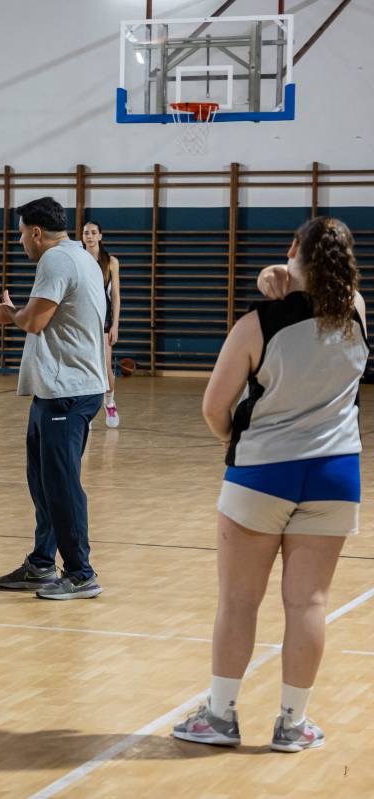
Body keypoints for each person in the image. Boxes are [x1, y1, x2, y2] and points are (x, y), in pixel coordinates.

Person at [172, 216, 366, 752]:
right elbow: (327, 283)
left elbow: (214, 408)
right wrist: (280, 271)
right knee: (309, 604)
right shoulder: (357, 312)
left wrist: (231, 438)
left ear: (291, 249)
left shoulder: (256, 326)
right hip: (335, 474)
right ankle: (292, 724)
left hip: (262, 473)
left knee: (238, 601)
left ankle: (220, 718)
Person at [0, 197, 108, 600]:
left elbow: (35, 321)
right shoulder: (79, 255)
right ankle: (40, 566)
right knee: (46, 483)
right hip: (60, 390)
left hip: (67, 392)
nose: (20, 241)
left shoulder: (54, 260)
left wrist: (9, 315)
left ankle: (81, 573)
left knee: (62, 484)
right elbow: (43, 316)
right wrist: (16, 312)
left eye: (21, 233)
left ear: (36, 232)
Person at [82, 221, 122, 428]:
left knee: (106, 368)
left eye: (93, 233)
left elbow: (115, 296)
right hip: (82, 321)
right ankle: (86, 412)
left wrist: (115, 325)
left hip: (104, 320)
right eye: (86, 233)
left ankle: (110, 402)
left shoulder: (111, 262)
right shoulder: (77, 259)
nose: (89, 236)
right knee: (85, 368)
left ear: (100, 236)